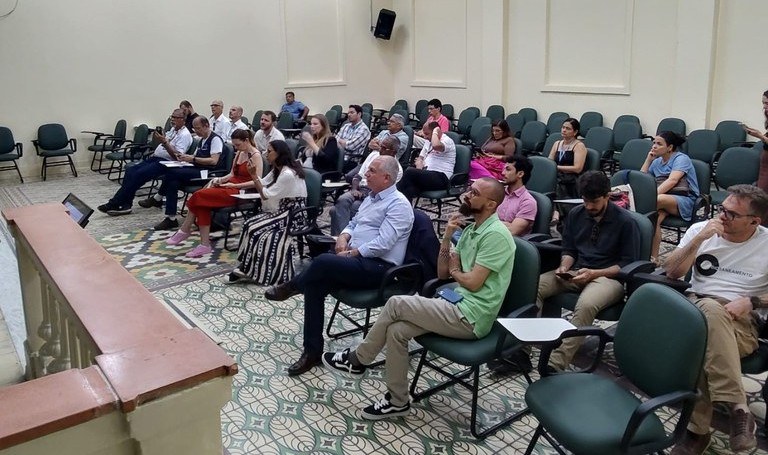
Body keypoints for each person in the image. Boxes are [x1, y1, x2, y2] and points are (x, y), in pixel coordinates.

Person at [322, 177, 515, 420]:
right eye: (469, 189)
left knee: (396, 303)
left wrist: (456, 271)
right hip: (455, 302)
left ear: (490, 204)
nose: (467, 194)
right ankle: (397, 400)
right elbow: (442, 272)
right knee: (397, 331)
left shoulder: (496, 235)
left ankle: (358, 359)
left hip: (472, 316)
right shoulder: (471, 229)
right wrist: (447, 237)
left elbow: (473, 282)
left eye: (474, 193)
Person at [264, 155, 413, 376]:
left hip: (380, 268)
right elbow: (354, 223)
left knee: (322, 261)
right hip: (358, 260)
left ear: (386, 178)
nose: (366, 174)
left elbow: (384, 244)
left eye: (371, 171)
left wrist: (352, 253)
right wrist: (343, 237)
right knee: (316, 284)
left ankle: (292, 286)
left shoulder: (398, 205)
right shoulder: (373, 197)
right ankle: (312, 352)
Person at [664, 185, 768, 455]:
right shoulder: (702, 230)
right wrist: (698, 241)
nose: (722, 216)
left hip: (741, 323)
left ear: (754, 221)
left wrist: (752, 301)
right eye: (722, 209)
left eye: (731, 214)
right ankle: (738, 407)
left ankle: (696, 434)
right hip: (693, 308)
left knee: (702, 347)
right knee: (709, 308)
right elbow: (672, 272)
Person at [536, 171, 640, 371]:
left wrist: (594, 273)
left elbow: (627, 264)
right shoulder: (576, 214)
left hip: (608, 278)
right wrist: (564, 266)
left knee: (586, 304)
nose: (589, 207)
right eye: (585, 201)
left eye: (595, 202)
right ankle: (522, 349)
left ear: (607, 196)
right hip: (577, 271)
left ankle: (556, 363)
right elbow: (570, 249)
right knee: (536, 285)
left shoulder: (626, 222)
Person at [165, 129, 260, 257]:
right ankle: (204, 244)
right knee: (202, 203)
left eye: (238, 145)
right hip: (230, 185)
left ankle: (185, 229)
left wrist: (234, 185)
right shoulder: (239, 153)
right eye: (235, 145)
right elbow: (232, 174)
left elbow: (257, 182)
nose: (236, 148)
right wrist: (219, 180)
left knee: (199, 195)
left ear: (247, 141)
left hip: (242, 191)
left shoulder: (256, 156)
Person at [229, 140, 308, 285]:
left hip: (294, 213)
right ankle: (247, 265)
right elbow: (263, 182)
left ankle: (256, 271)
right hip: (283, 209)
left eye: (269, 151)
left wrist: (253, 176)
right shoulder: (278, 168)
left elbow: (266, 194)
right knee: (248, 224)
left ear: (279, 154)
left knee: (258, 231)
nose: (266, 154)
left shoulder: (288, 173)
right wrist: (253, 175)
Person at [97, 109, 193, 216]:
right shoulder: (172, 130)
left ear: (183, 120)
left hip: (167, 163)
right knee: (130, 170)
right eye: (172, 117)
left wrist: (164, 142)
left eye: (176, 118)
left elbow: (177, 157)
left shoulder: (185, 135)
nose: (173, 120)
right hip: (156, 158)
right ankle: (125, 205)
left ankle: (115, 203)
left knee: (138, 175)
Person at [150, 116, 224, 230]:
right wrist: (186, 157)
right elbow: (195, 156)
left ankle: (158, 197)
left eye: (198, 128)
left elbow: (214, 161)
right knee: (172, 182)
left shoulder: (215, 139)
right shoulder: (201, 140)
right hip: (196, 168)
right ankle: (171, 218)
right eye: (194, 129)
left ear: (206, 126)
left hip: (208, 172)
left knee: (172, 173)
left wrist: (193, 159)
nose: (196, 131)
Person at [641, 131, 700, 260]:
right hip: (665, 200)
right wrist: (648, 159)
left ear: (670, 147)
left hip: (685, 200)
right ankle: (653, 258)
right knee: (653, 219)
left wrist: (648, 198)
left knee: (656, 201)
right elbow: (642, 179)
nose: (654, 146)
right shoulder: (657, 162)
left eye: (659, 144)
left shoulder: (681, 159)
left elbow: (672, 181)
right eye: (654, 143)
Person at [329, 136, 403, 235]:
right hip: (359, 189)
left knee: (340, 210)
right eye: (381, 146)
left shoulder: (397, 169)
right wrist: (354, 189)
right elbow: (358, 176)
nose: (381, 150)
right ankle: (341, 240)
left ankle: (343, 240)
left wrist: (364, 195)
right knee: (342, 199)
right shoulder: (373, 155)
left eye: (385, 148)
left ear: (393, 152)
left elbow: (383, 192)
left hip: (373, 197)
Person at [396, 121, 456, 202]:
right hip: (427, 175)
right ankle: (404, 210)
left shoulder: (447, 141)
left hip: (442, 178)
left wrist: (436, 131)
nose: (425, 136)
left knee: (410, 173)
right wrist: (419, 163)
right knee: (409, 187)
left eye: (427, 134)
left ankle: (392, 201)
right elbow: (420, 157)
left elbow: (435, 146)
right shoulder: (428, 141)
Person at [549, 118, 588, 199]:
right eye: (563, 127)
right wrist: (553, 169)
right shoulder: (557, 143)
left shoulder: (579, 146)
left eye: (568, 129)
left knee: (554, 184)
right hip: (557, 174)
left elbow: (578, 168)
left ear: (575, 132)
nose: (564, 130)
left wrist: (556, 168)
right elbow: (549, 162)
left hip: (571, 178)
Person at [742, 89, 768, 195]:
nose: (764, 106)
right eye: (763, 103)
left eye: (767, 103)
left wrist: (761, 136)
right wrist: (759, 134)